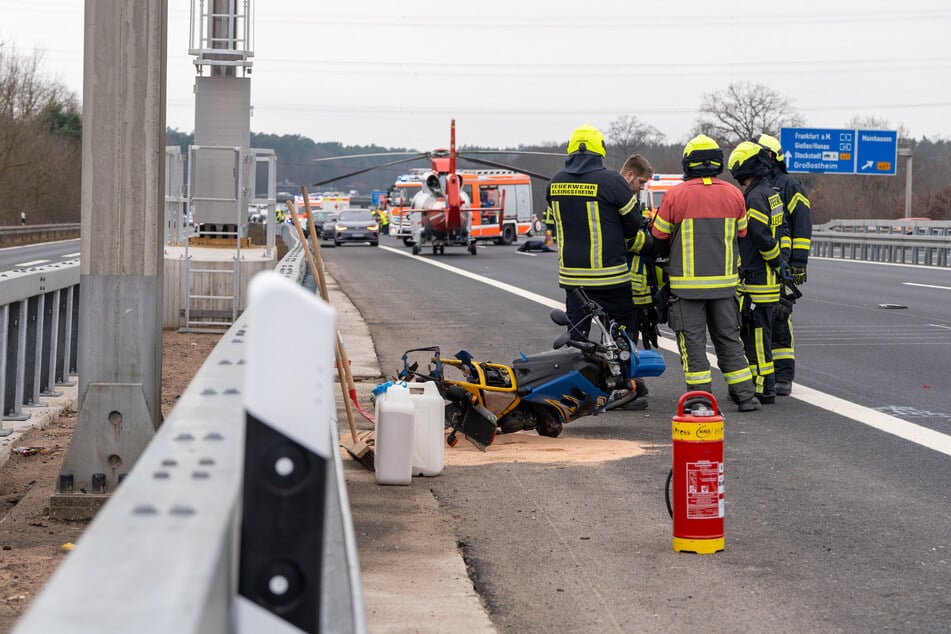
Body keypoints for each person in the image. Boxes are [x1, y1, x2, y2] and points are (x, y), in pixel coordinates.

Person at [651, 135, 760, 412]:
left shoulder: (675, 195)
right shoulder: (735, 194)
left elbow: (658, 236)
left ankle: (700, 401)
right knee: (730, 340)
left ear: (687, 163)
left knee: (693, 346)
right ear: (719, 162)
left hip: (686, 289)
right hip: (725, 287)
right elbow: (743, 233)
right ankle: (746, 396)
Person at [546, 124, 651, 409]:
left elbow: (550, 221)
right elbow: (633, 224)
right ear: (599, 151)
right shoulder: (611, 182)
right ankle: (619, 390)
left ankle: (572, 390)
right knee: (619, 334)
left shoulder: (555, 182)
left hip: (572, 279)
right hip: (610, 277)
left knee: (578, 337)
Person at [727, 141, 789, 404]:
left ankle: (763, 387)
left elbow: (761, 237)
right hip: (770, 279)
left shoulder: (753, 198)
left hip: (757, 280)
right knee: (760, 333)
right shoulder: (772, 193)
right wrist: (782, 262)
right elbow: (783, 230)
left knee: (756, 335)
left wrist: (776, 261)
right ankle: (763, 383)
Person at [756, 133, 812, 396]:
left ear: (771, 156)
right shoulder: (757, 185)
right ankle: (763, 373)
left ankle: (784, 376)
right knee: (758, 319)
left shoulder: (789, 184)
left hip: (784, 262)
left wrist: (797, 263)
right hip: (760, 262)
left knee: (780, 316)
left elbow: (802, 223)